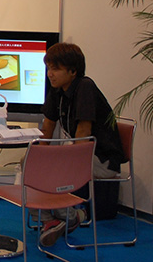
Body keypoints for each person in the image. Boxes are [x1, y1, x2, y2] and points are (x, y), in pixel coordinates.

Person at [37, 42, 125, 247]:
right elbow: (48, 125)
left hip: (102, 159)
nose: (50, 74)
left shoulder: (85, 86)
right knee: (30, 164)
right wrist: (38, 154)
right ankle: (50, 221)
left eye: (55, 69)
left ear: (73, 71)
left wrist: (61, 161)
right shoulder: (58, 90)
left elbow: (83, 133)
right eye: (48, 68)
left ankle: (72, 217)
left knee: (52, 168)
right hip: (82, 153)